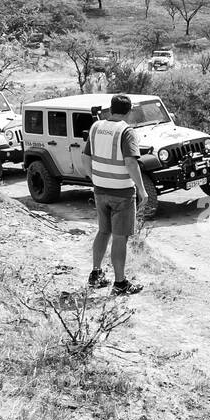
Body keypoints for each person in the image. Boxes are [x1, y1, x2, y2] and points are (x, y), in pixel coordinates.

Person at [86, 94, 147, 295]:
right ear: (129, 112)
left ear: (110, 109)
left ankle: (96, 274)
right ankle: (120, 283)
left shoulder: (96, 127)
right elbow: (131, 162)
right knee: (120, 238)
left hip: (100, 189)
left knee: (103, 232)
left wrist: (94, 178)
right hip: (122, 192)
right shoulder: (126, 131)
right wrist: (142, 189)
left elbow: (85, 157)